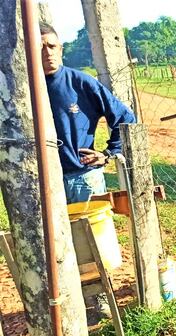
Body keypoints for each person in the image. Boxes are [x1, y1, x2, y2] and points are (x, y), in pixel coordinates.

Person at [40, 23, 135, 204]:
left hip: (83, 178)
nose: (47, 52)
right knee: (53, 233)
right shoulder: (22, 90)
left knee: (94, 230)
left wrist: (108, 153)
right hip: (44, 182)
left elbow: (126, 118)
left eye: (52, 46)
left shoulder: (81, 83)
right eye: (40, 47)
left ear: (61, 49)